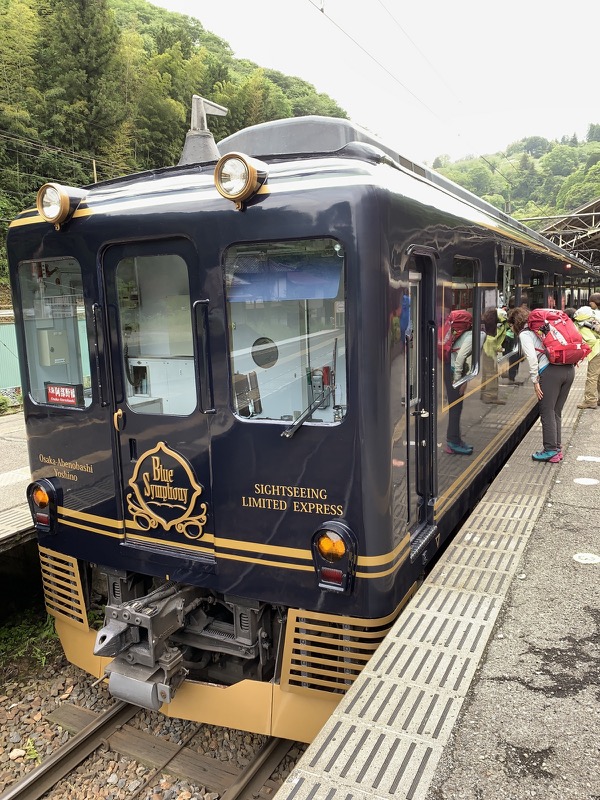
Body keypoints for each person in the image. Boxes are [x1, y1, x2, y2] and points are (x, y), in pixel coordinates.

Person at [507, 306, 575, 462]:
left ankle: (550, 450)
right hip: (569, 369)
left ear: (515, 323)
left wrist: (535, 380)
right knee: (556, 411)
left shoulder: (525, 334)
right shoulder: (544, 327)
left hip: (550, 373)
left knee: (546, 411)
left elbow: (532, 358)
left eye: (510, 325)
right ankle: (557, 448)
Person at [442, 312, 474, 455]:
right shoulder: (468, 336)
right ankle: (452, 442)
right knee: (455, 408)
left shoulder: (455, 335)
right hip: (455, 373)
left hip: (449, 368)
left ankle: (456, 439)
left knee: (456, 407)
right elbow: (461, 358)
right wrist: (460, 380)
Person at [573, 305, 600, 409]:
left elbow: (591, 341)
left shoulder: (582, 326)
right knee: (598, 376)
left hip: (596, 352)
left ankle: (590, 400)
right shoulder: (594, 321)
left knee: (592, 376)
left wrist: (584, 349)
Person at [481, 307, 509, 403]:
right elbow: (496, 340)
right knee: (491, 373)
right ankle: (490, 396)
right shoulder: (499, 326)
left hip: (486, 348)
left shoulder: (489, 325)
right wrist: (499, 348)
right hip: (489, 350)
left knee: (486, 372)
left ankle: (484, 393)